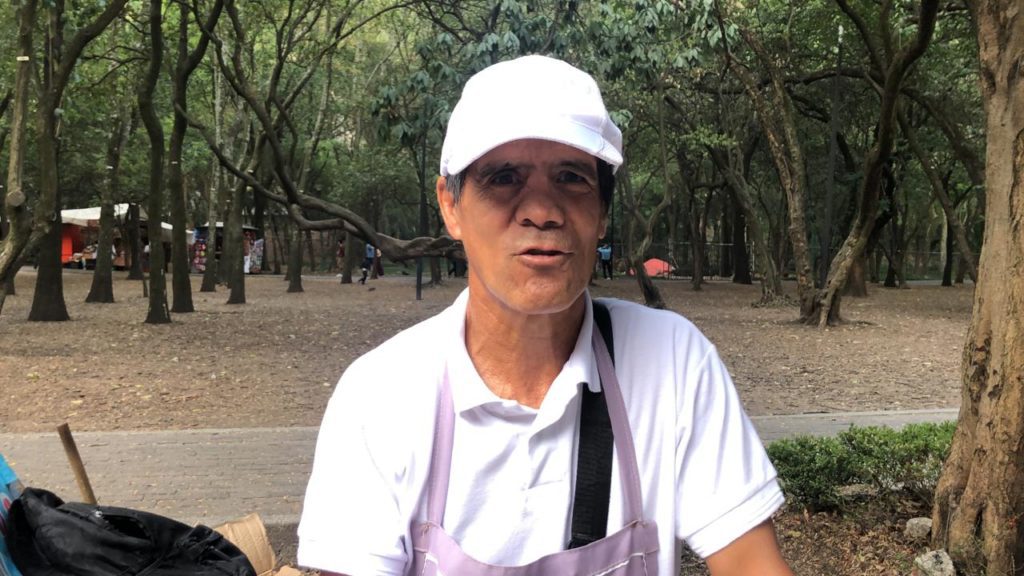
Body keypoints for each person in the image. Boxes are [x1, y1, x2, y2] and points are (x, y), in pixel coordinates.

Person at [298, 55, 793, 576]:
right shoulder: (380, 397)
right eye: (504, 177)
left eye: (571, 177)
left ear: (602, 213)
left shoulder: (671, 362)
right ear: (451, 206)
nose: (542, 211)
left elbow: (752, 564)